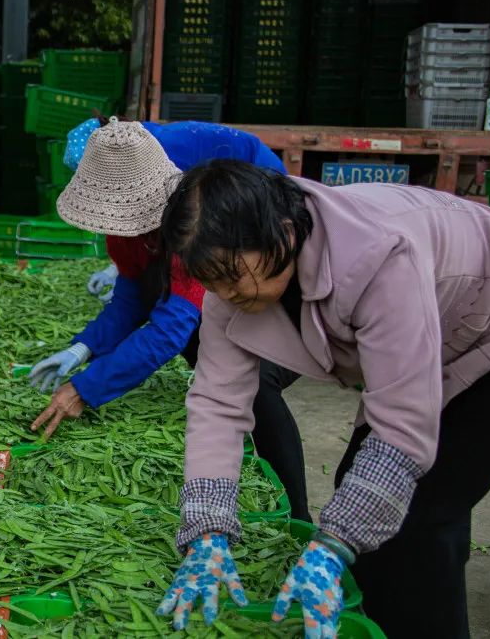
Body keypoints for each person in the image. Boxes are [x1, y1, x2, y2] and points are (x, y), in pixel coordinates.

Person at [155, 160, 490, 638]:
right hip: (433, 337)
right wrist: (208, 528)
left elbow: (400, 431)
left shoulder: (378, 257)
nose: (225, 294)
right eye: (211, 281)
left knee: (414, 522)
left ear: (284, 232)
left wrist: (332, 545)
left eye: (232, 276)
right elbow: (217, 402)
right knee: (374, 496)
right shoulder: (232, 282)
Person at [28, 118, 311, 523]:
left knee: (255, 379)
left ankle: (297, 519)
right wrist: (82, 347)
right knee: (209, 344)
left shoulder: (190, 220)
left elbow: (170, 326)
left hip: (256, 218)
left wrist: (86, 388)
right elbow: (132, 296)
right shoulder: (125, 211)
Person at [63, 117, 285, 302]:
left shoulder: (157, 159)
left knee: (233, 272)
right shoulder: (139, 152)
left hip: (258, 178)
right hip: (234, 178)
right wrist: (118, 272)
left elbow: (178, 224)